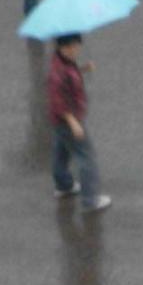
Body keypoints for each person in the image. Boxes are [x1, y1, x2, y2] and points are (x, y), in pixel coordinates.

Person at [48, 33, 111, 212]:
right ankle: (91, 199)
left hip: (61, 122)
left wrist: (83, 69)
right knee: (86, 157)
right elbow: (57, 100)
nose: (77, 49)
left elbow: (70, 76)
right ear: (64, 47)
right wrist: (73, 122)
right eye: (75, 46)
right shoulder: (58, 72)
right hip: (68, 119)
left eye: (78, 45)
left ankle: (64, 185)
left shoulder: (63, 62)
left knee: (62, 150)